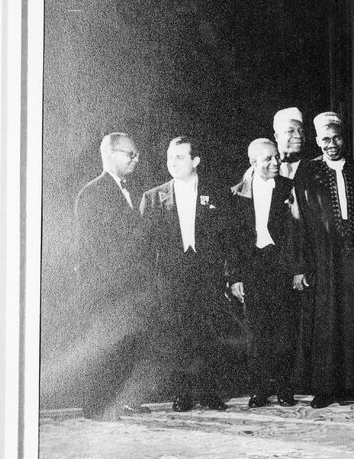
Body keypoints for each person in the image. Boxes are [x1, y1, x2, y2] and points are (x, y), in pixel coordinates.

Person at [293, 113, 354, 409]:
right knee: (328, 320)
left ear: (344, 138)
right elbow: (298, 222)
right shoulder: (307, 173)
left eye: (337, 138)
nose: (332, 144)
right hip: (324, 260)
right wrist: (300, 266)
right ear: (318, 141)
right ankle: (327, 388)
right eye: (325, 139)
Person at [138, 136, 235, 412]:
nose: (173, 162)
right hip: (171, 279)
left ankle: (209, 392)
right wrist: (151, 284)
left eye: (180, 157)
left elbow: (228, 238)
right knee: (177, 336)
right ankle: (182, 394)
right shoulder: (153, 197)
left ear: (196, 161)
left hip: (207, 275)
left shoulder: (216, 193)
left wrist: (229, 275)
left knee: (208, 333)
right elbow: (145, 248)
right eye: (170, 157)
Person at [71, 132, 149, 420]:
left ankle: (121, 400)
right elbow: (92, 247)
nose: (135, 159)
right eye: (130, 154)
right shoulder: (92, 193)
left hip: (128, 286)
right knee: (103, 347)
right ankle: (95, 406)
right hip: (105, 288)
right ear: (111, 154)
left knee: (126, 345)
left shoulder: (128, 190)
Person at [229, 137, 308, 407]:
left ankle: (285, 388)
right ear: (253, 162)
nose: (276, 162)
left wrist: (298, 270)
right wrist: (235, 277)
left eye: (276, 157)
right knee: (257, 333)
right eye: (268, 159)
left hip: (282, 266)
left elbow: (298, 232)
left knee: (285, 332)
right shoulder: (237, 192)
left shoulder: (289, 188)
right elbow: (233, 239)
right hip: (253, 269)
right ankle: (259, 389)